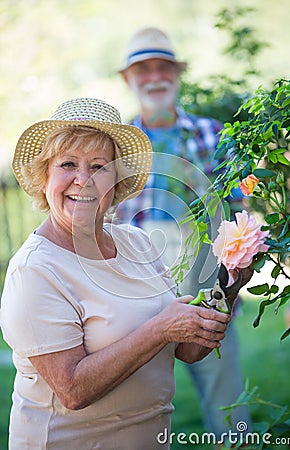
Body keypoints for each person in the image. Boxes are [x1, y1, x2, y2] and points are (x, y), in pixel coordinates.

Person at [0, 97, 249, 450]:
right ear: (45, 178)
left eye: (99, 167)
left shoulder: (138, 244)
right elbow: (72, 390)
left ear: (117, 183)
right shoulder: (35, 270)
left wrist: (233, 281)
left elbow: (187, 350)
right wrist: (159, 329)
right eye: (68, 164)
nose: (83, 180)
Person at [117, 27, 252, 439]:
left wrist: (230, 276)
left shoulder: (213, 134)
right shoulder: (117, 144)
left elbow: (238, 210)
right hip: (135, 279)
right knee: (133, 401)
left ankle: (236, 444)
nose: (154, 77)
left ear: (177, 74)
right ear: (128, 79)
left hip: (204, 272)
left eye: (163, 68)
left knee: (225, 396)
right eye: (144, 70)